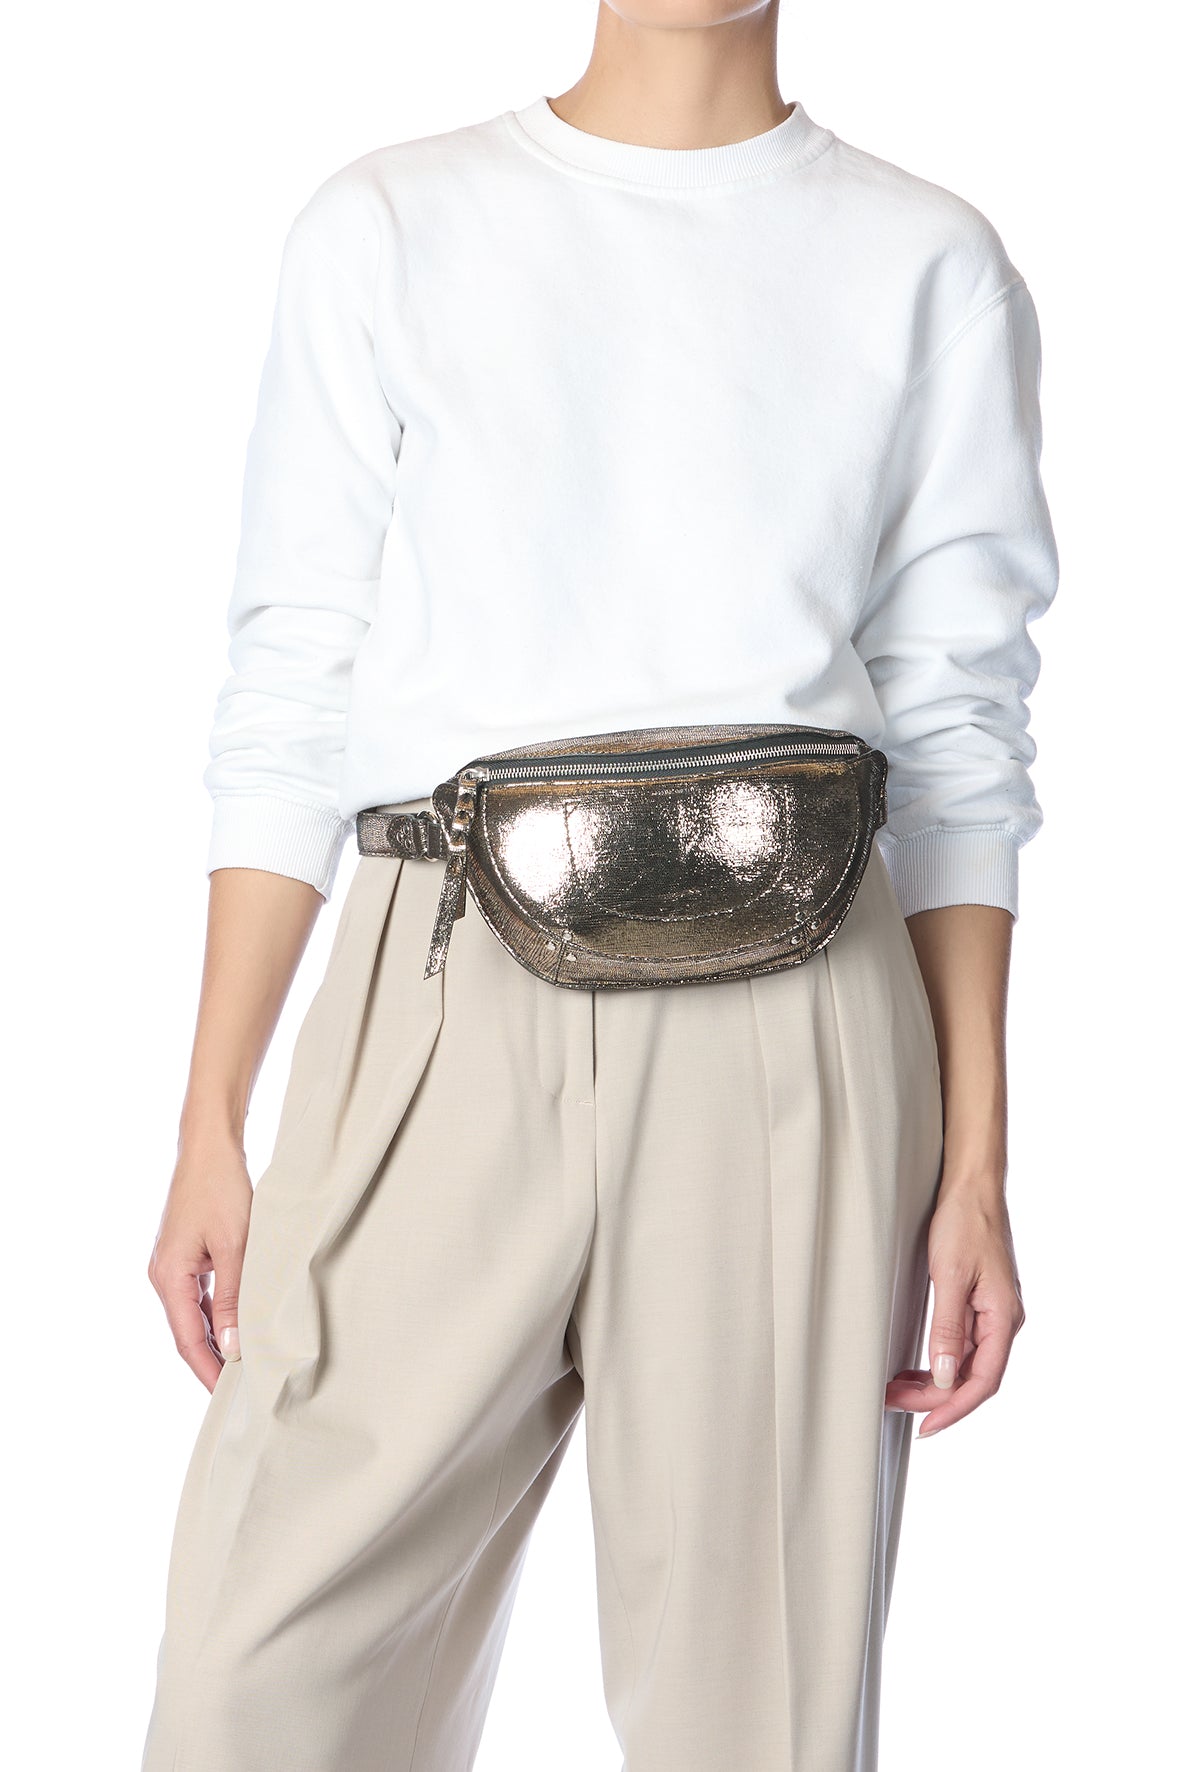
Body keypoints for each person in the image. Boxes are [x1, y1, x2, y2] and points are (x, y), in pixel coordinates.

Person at [141, 4, 1059, 1768]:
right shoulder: (389, 222)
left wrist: (975, 1165)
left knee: (754, 1715)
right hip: (433, 984)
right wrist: (210, 1114)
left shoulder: (927, 260)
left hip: (799, 1008)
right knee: (254, 1686)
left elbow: (959, 731)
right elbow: (293, 684)